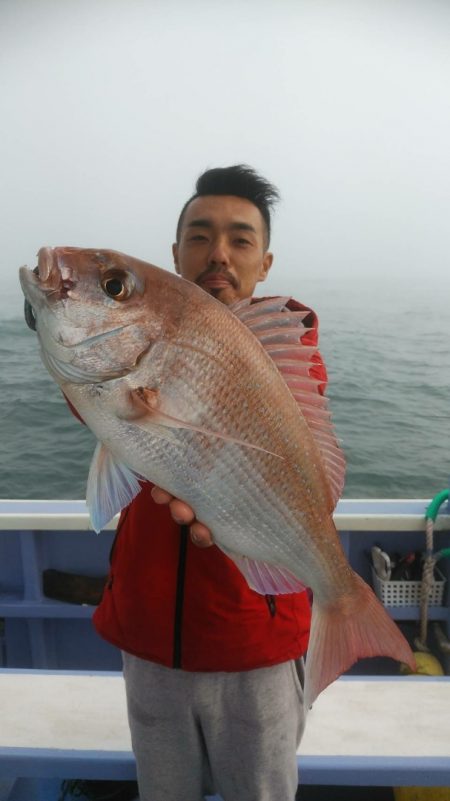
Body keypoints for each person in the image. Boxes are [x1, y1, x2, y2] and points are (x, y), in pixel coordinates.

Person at [92, 165, 328, 801]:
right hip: (148, 640)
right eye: (199, 237)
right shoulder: (136, 338)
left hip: (257, 642)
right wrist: (61, 321)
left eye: (240, 239)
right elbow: (97, 393)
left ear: (265, 261)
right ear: (174, 254)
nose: (217, 254)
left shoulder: (286, 351)